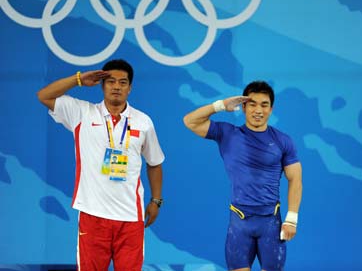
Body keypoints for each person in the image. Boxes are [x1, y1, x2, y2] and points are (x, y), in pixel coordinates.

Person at [37, 59, 165, 271]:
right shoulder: (81, 113)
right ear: (102, 85)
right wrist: (77, 80)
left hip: (130, 217)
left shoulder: (143, 122)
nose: (116, 86)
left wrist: (156, 200)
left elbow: (155, 162)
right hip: (92, 215)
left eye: (123, 82)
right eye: (111, 81)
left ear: (130, 88)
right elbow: (44, 96)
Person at [183, 81, 302, 271]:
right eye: (252, 104)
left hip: (270, 222)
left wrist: (291, 219)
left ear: (271, 109)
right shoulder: (227, 134)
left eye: (264, 105)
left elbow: (295, 179)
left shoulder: (283, 141)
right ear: (243, 107)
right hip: (239, 223)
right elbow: (189, 121)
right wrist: (220, 105)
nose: (258, 110)